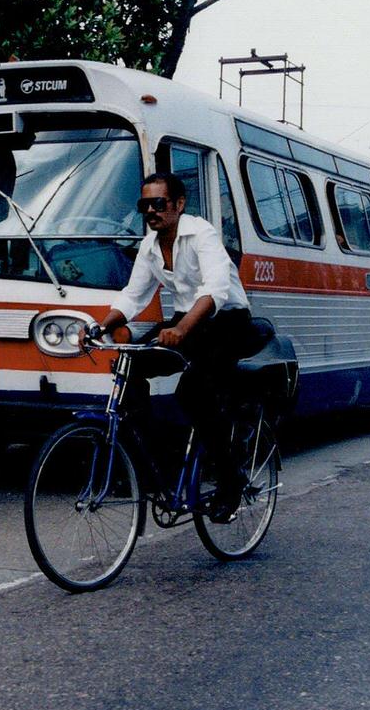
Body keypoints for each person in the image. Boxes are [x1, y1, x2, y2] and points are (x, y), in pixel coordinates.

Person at [94, 172, 263, 521]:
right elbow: (134, 295)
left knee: (194, 392)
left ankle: (230, 482)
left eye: (159, 203)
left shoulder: (201, 233)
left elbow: (215, 290)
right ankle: (157, 465)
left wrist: (182, 329)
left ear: (179, 204)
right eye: (145, 205)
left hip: (226, 319)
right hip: (188, 319)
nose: (152, 211)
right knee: (130, 369)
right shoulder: (150, 245)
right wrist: (100, 326)